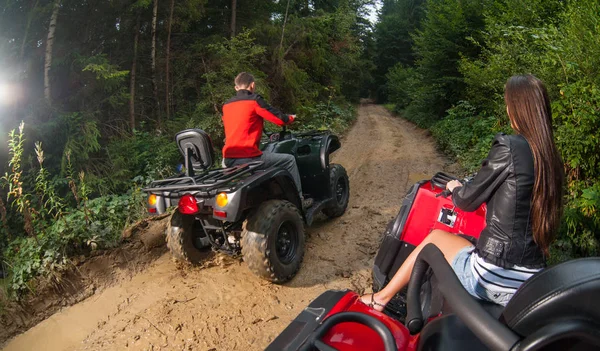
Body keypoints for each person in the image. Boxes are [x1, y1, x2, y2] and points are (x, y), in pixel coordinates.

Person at [362, 74, 564, 310]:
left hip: (494, 277)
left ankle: (381, 298)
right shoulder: (551, 159)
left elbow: (467, 200)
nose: (508, 109)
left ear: (518, 108)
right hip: (531, 278)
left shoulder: (510, 147)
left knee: (434, 239)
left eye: (509, 103)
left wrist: (457, 188)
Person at [221, 72, 312, 208]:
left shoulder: (226, 105)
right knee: (289, 160)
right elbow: (279, 119)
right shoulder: (254, 101)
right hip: (248, 158)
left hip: (227, 159)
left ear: (236, 88)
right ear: (252, 85)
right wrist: (291, 118)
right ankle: (300, 200)